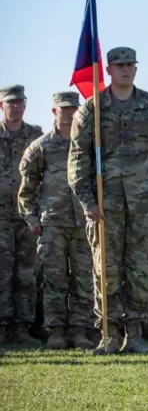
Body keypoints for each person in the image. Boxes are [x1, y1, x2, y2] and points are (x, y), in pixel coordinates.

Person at [68, 48, 148, 354]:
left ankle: (135, 333)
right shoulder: (92, 109)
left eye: (130, 65)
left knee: (141, 269)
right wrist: (87, 200)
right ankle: (109, 332)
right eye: (119, 65)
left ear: (136, 69)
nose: (125, 70)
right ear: (109, 70)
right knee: (106, 269)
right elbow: (79, 158)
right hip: (106, 204)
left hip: (145, 202)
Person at [17, 91, 92, 349]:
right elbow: (27, 189)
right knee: (54, 280)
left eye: (74, 108)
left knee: (83, 278)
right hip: (53, 224)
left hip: (84, 223)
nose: (70, 113)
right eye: (65, 108)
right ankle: (56, 330)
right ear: (54, 112)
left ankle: (79, 330)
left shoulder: (89, 145)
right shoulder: (41, 147)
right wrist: (32, 218)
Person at [0, 84, 42, 346]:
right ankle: (2, 326)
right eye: (11, 102)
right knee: (2, 273)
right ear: (1, 105)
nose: (16, 106)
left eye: (20, 102)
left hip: (28, 216)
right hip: (0, 217)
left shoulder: (36, 136)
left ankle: (22, 328)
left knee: (26, 274)